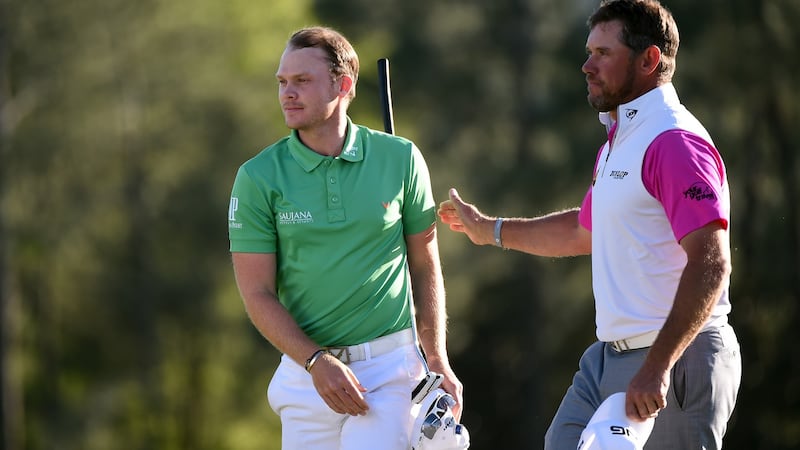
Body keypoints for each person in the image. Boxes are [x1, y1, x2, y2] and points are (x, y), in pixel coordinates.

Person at [437, 1, 740, 449]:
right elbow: (585, 232)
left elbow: (711, 264)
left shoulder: (674, 142)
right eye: (589, 51)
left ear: (648, 60)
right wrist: (491, 230)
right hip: (609, 358)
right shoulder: (621, 138)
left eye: (602, 53)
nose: (586, 65)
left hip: (675, 359)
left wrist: (657, 366)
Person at [228, 26, 463, 450]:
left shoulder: (401, 158)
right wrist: (317, 361)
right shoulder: (258, 177)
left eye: (302, 81)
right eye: (282, 82)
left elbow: (425, 265)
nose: (287, 93)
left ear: (344, 84)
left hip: (390, 371)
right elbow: (257, 293)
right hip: (306, 375)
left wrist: (437, 357)